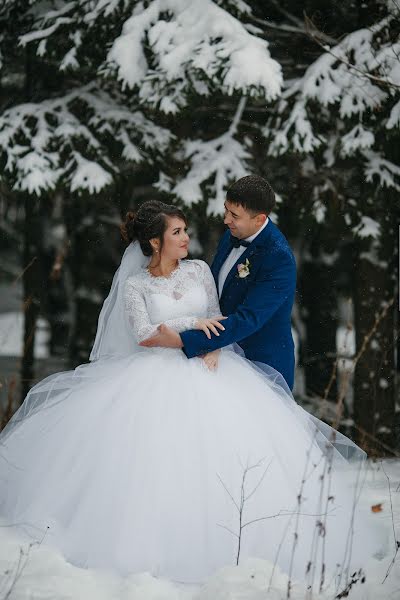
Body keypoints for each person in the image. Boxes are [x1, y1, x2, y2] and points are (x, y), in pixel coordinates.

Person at [0, 199, 387, 592]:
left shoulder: (200, 270)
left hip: (212, 367)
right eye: (177, 232)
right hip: (154, 374)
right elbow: (145, 335)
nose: (187, 238)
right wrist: (191, 324)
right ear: (154, 242)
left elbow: (217, 314)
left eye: (185, 230)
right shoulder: (136, 286)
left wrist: (210, 341)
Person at [139, 175, 296, 391]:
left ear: (259, 220)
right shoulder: (232, 234)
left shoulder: (278, 258)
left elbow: (248, 318)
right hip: (216, 360)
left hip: (260, 365)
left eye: (234, 215)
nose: (225, 220)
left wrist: (184, 340)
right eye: (226, 210)